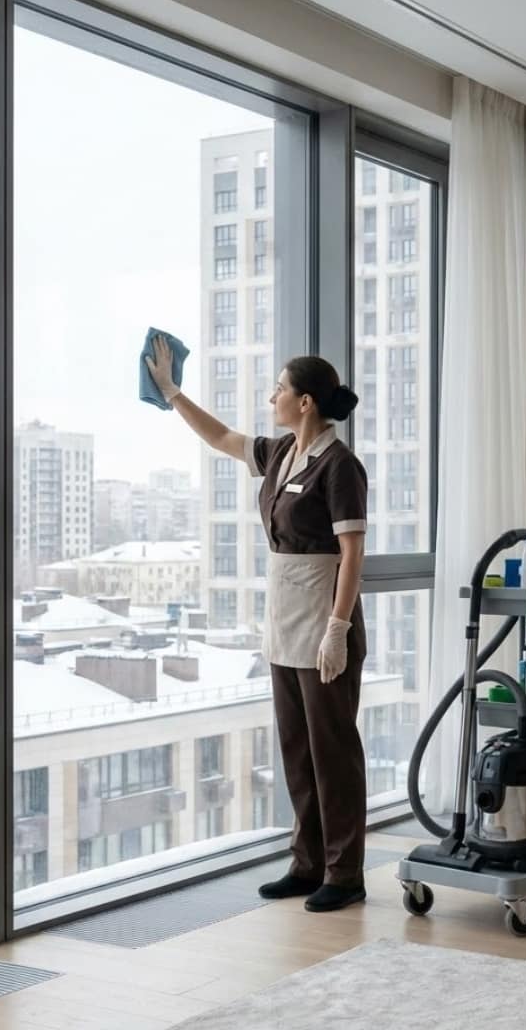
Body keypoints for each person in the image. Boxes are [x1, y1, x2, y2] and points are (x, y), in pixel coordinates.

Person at [145, 335, 369, 912]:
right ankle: (308, 862)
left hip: (324, 620)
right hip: (284, 621)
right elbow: (221, 437)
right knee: (296, 749)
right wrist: (172, 392)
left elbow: (352, 556)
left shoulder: (340, 467)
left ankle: (345, 873)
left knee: (332, 751)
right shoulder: (281, 455)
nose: (271, 395)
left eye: (279, 388)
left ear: (306, 402)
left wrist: (338, 629)